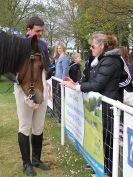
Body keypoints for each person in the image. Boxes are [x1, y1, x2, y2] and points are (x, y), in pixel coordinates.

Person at [61, 32, 131, 177]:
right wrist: (77, 83)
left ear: (101, 46)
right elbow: (90, 79)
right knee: (100, 139)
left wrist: (76, 87)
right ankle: (101, 168)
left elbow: (98, 84)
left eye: (92, 46)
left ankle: (109, 171)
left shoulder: (111, 60)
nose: (90, 48)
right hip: (99, 106)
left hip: (108, 107)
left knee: (108, 141)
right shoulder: (98, 59)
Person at [14, 16, 51, 176]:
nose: (40, 34)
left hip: (41, 88)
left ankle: (36, 159)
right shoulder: (17, 46)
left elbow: (48, 68)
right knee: (25, 126)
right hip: (23, 90)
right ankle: (26, 164)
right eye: (37, 31)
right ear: (28, 30)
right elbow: (9, 70)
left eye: (42, 30)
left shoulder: (43, 45)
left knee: (39, 126)